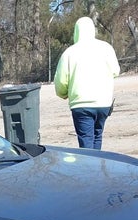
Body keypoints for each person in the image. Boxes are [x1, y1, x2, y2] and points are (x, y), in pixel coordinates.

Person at [54, 16, 120, 150]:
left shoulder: (69, 53)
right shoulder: (106, 48)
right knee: (97, 136)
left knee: (86, 142)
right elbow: (115, 71)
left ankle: (89, 168)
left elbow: (61, 81)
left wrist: (63, 93)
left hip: (81, 105)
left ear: (76, 32)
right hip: (103, 103)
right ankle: (96, 167)